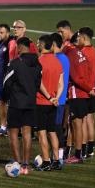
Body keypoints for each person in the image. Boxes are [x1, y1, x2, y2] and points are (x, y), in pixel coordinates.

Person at [3, 37, 42, 176]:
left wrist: (7, 97)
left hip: (16, 103)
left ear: (19, 48)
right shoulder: (37, 64)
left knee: (12, 132)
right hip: (31, 103)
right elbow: (38, 84)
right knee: (27, 133)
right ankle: (25, 165)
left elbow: (6, 83)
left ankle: (17, 163)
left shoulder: (15, 63)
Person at [63, 33, 94, 165]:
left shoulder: (71, 53)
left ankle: (77, 155)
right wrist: (90, 87)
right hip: (84, 94)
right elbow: (88, 71)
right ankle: (80, 153)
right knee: (79, 124)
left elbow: (76, 78)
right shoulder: (81, 54)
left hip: (77, 93)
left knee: (76, 125)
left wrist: (88, 88)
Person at [35, 34, 64, 171]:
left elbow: (39, 83)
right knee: (52, 132)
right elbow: (61, 84)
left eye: (38, 43)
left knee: (42, 133)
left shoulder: (39, 61)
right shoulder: (57, 61)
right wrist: (56, 98)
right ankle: (57, 160)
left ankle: (46, 162)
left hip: (41, 102)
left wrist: (48, 97)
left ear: (42, 45)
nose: (36, 45)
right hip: (54, 103)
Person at [79, 26, 95, 158]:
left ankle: (82, 149)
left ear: (83, 37)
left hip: (85, 88)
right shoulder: (94, 50)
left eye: (79, 37)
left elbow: (80, 73)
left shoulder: (82, 52)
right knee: (90, 117)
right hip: (93, 86)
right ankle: (90, 148)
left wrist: (88, 85)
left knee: (82, 119)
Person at [51, 32, 70, 163]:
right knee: (55, 127)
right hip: (59, 98)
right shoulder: (63, 57)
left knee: (56, 127)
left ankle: (59, 156)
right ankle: (57, 155)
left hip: (56, 99)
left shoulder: (58, 58)